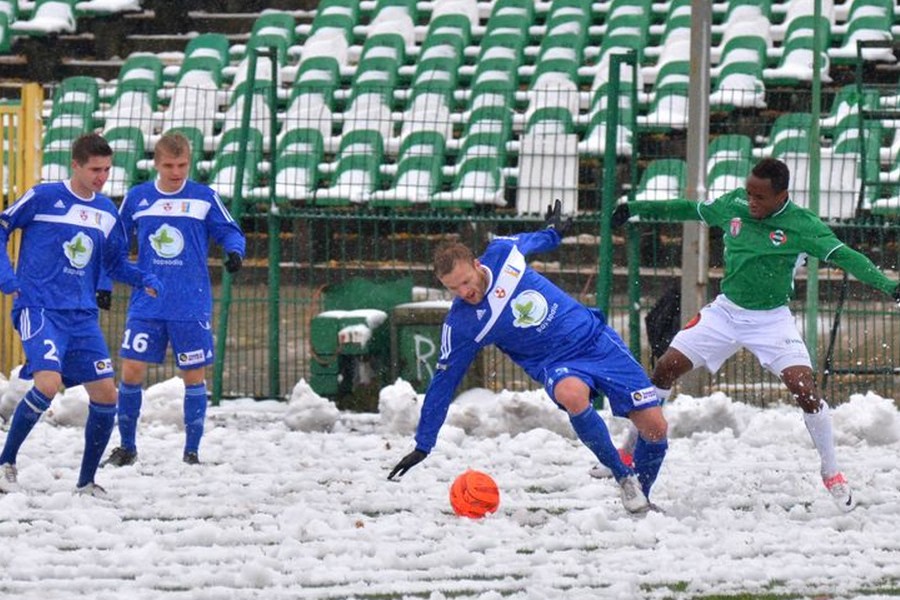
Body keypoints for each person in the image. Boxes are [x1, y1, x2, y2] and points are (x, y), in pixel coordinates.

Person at [608, 157, 900, 512]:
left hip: (771, 321)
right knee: (664, 369)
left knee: (805, 390)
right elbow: (689, 207)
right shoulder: (733, 206)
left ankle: (832, 473)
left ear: (782, 196)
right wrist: (634, 207)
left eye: (760, 197)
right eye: (749, 194)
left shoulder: (803, 225)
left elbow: (848, 257)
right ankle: (627, 450)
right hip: (726, 313)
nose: (751, 202)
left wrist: (888, 285)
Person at [388, 200, 669, 514]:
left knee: (655, 428)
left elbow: (531, 241)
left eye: (465, 282)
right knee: (572, 394)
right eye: (453, 289)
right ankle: (623, 476)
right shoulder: (463, 325)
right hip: (557, 363)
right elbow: (443, 382)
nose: (464, 292)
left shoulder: (502, 253)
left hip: (596, 340)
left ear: (478, 264)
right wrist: (423, 444)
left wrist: (553, 233)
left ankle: (643, 494)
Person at [0, 133, 162, 495]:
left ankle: (86, 482)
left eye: (106, 169)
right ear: (75, 165)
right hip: (40, 306)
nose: (101, 176)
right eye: (94, 169)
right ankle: (5, 462)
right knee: (47, 383)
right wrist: (6, 275)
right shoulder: (43, 197)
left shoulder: (106, 212)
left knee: (107, 394)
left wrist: (143, 278)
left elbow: (115, 262)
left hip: (82, 315)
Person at [101, 131, 246, 467]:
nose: (176, 171)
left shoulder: (203, 197)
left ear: (190, 162)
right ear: (156, 163)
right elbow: (115, 246)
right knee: (131, 369)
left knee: (193, 375)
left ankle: (191, 451)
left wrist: (235, 251)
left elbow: (229, 231)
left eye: (182, 164)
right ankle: (127, 447)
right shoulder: (138, 198)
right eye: (169, 165)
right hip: (147, 301)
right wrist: (104, 283)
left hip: (190, 303)